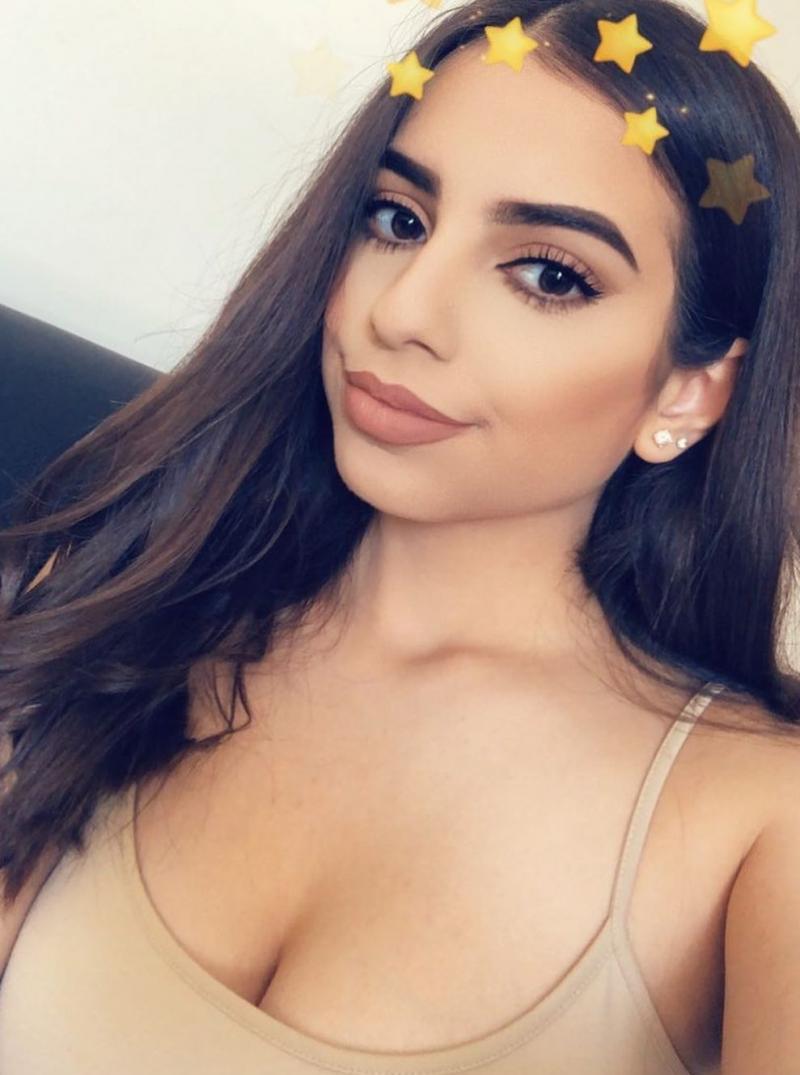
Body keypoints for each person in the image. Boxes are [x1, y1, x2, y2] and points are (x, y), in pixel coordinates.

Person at [1, 0, 800, 1071]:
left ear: (691, 391)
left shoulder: (761, 826)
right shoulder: (109, 595)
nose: (403, 311)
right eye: (397, 219)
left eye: (548, 274)